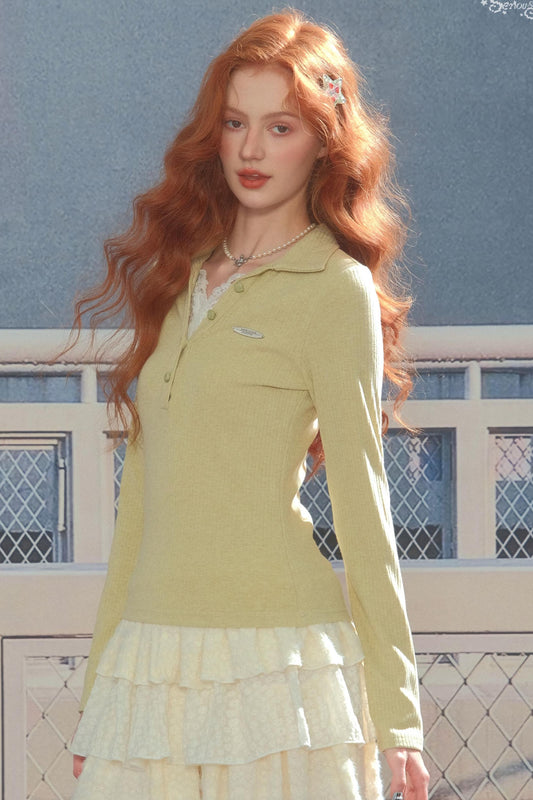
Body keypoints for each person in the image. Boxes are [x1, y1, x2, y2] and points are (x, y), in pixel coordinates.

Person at [65, 9, 430, 800]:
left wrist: (398, 720)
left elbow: (364, 510)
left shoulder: (336, 290)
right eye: (235, 123)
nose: (251, 150)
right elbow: (140, 507)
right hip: (150, 665)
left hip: (279, 663)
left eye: (280, 127)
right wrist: (99, 689)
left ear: (323, 142)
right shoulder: (179, 275)